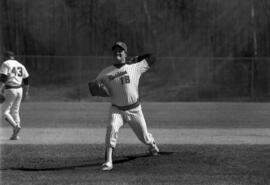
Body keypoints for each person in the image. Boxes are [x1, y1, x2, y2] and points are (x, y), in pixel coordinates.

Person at [89, 41, 159, 171]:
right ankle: (108, 161)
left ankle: (152, 144)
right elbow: (93, 87)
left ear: (125, 53)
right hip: (117, 110)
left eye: (120, 50)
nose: (117, 52)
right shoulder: (106, 72)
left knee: (144, 137)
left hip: (134, 110)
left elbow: (152, 57)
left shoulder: (135, 67)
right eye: (115, 50)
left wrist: (137, 58)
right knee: (111, 128)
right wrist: (96, 88)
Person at [0, 51, 30, 140]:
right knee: (15, 111)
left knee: (4, 112)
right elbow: (27, 79)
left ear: (6, 56)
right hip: (19, 89)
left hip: (10, 89)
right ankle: (15, 135)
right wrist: (26, 92)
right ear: (13, 57)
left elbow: (3, 78)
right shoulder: (20, 65)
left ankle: (15, 126)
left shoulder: (5, 63)